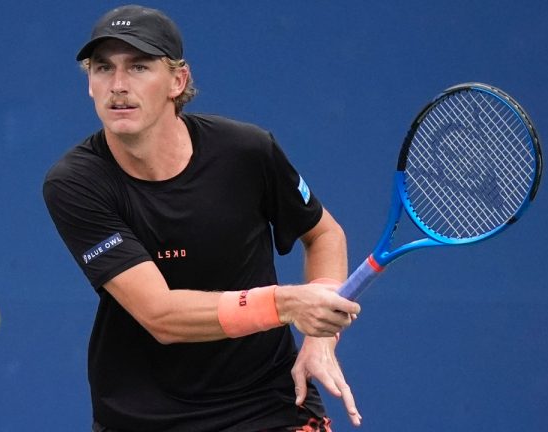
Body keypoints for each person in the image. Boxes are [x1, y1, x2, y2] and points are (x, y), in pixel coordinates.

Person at [43, 5, 362, 431]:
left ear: (178, 80)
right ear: (90, 83)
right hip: (143, 417)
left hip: (268, 404)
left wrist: (321, 336)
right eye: (103, 69)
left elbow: (324, 235)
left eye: (138, 67)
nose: (118, 85)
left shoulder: (248, 151)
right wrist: (287, 303)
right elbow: (161, 315)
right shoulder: (76, 183)